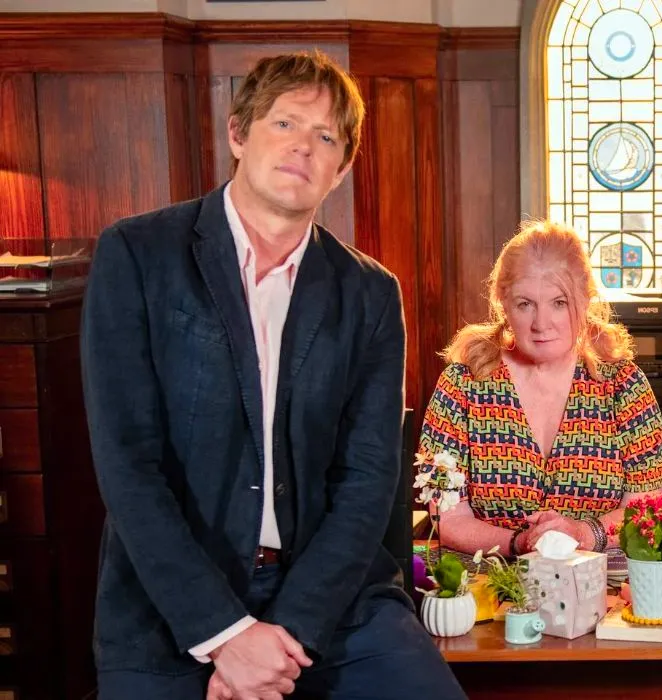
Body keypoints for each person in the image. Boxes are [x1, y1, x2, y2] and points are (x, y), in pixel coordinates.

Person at [82, 51, 464, 699]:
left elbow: (368, 481)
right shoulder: (139, 255)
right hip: (168, 600)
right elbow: (128, 465)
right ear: (238, 132)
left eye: (325, 137)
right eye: (286, 123)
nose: (303, 148)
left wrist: (282, 638)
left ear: (340, 169)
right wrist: (226, 634)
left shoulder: (369, 293)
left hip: (330, 595)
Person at [417, 220, 662, 557]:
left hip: (602, 585)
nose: (541, 323)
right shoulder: (460, 386)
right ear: (503, 304)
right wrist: (518, 543)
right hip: (488, 585)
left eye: (559, 303)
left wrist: (581, 533)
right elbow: (447, 518)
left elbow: (645, 508)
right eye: (525, 304)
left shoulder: (624, 386)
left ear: (585, 300)